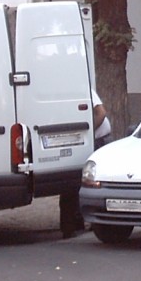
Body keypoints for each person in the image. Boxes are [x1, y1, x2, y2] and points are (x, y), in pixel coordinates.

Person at [60, 87, 112, 238]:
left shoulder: (77, 88)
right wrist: (89, 134)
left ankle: (75, 223)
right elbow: (101, 113)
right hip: (93, 140)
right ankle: (74, 224)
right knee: (88, 180)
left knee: (78, 181)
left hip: (92, 139)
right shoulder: (80, 87)